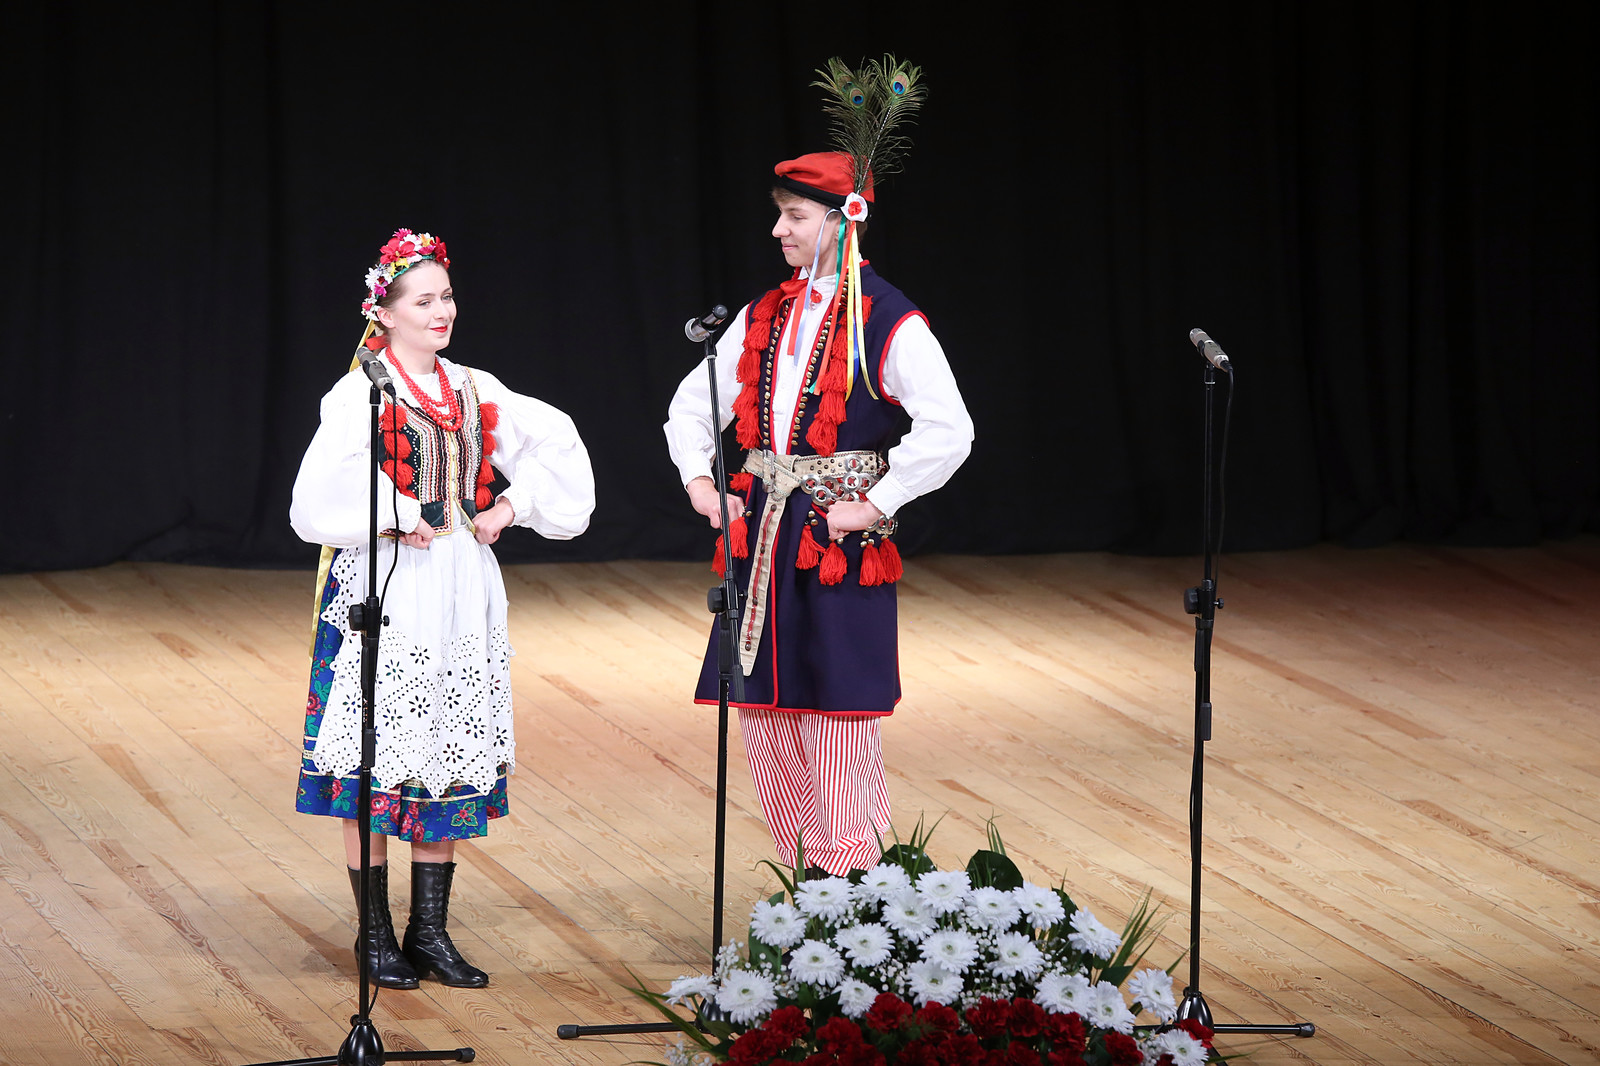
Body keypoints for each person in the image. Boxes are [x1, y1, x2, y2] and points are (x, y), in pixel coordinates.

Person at [291, 229, 594, 988]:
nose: (441, 311)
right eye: (423, 300)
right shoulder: (361, 391)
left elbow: (555, 444)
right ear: (384, 311)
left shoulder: (473, 387)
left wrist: (508, 509)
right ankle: (374, 934)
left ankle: (429, 932)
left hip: (460, 582)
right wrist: (396, 513)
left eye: (447, 297)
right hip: (389, 586)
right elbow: (317, 498)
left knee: (447, 745)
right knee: (376, 750)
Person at [663, 142, 973, 875]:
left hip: (832, 537)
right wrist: (701, 484)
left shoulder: (887, 319)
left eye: (796, 216)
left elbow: (950, 429)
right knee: (765, 704)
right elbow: (693, 404)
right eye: (780, 216)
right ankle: (804, 877)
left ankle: (852, 877)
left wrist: (877, 502)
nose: (779, 231)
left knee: (839, 708)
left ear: (843, 220)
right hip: (762, 528)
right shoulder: (765, 312)